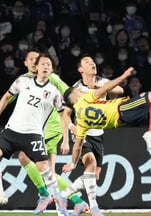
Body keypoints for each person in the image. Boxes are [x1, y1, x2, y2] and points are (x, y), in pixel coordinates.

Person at [0, 53, 69, 216]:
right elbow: (7, 96)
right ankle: (0, 194)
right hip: (12, 131)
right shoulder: (22, 81)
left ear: (52, 70)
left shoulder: (54, 92)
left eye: (49, 65)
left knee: (45, 169)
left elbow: (63, 115)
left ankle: (60, 206)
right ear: (36, 68)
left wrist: (66, 138)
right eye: (42, 64)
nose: (45, 67)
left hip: (33, 135)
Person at [15, 49, 89, 216]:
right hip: (37, 128)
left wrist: (66, 135)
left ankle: (45, 194)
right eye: (32, 60)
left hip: (50, 128)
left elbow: (68, 96)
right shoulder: (26, 81)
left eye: (38, 60)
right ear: (26, 63)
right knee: (49, 172)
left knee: (24, 157)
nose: (35, 63)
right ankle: (76, 202)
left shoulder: (52, 78)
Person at [61, 55, 124, 216]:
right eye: (87, 62)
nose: (92, 63)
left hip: (99, 134)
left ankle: (65, 195)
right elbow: (66, 114)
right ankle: (94, 207)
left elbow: (120, 90)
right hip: (83, 134)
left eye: (93, 61)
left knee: (93, 175)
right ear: (80, 69)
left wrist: (101, 88)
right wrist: (70, 128)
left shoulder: (101, 82)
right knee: (91, 162)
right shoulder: (76, 89)